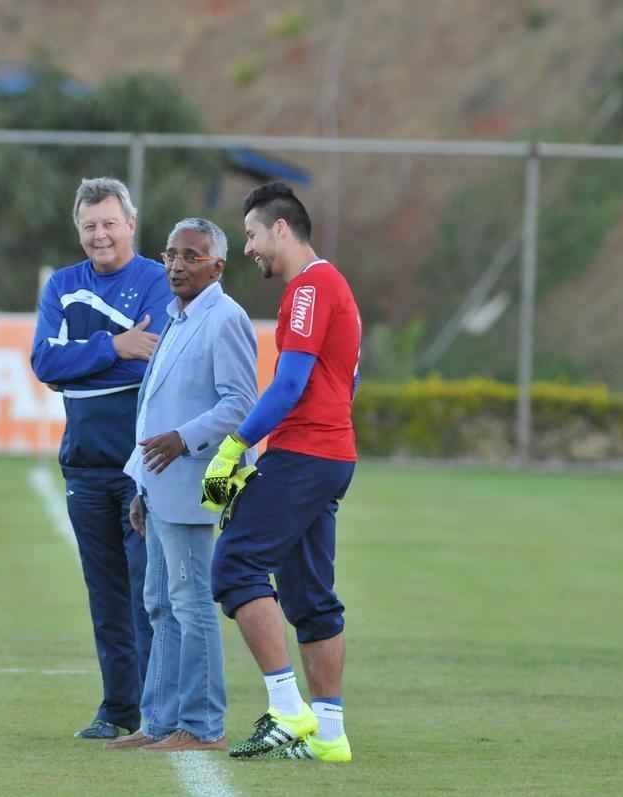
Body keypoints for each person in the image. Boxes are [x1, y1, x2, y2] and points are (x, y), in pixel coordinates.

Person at [202, 182, 362, 763]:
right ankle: (329, 731)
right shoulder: (336, 286)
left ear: (281, 230)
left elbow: (290, 385)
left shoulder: (308, 290)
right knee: (309, 594)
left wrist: (233, 447)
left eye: (250, 235)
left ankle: (286, 708)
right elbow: (350, 381)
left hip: (305, 455)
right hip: (333, 455)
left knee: (236, 564)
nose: (248, 249)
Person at [108, 218, 258, 752]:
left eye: (191, 256)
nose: (176, 265)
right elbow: (154, 404)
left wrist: (182, 440)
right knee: (159, 605)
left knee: (190, 604)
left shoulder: (226, 319)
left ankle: (202, 726)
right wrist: (140, 482)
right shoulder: (175, 316)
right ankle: (160, 721)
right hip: (159, 483)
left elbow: (241, 404)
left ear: (218, 266)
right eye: (171, 254)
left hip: (195, 483)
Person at [30, 177, 171, 739]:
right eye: (89, 225)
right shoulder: (63, 286)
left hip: (141, 468)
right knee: (105, 595)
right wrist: (114, 345)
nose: (100, 234)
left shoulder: (157, 280)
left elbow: (151, 361)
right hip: (84, 467)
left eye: (110, 222)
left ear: (130, 224)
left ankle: (159, 713)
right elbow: (44, 361)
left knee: (148, 595)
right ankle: (117, 711)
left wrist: (81, 358)